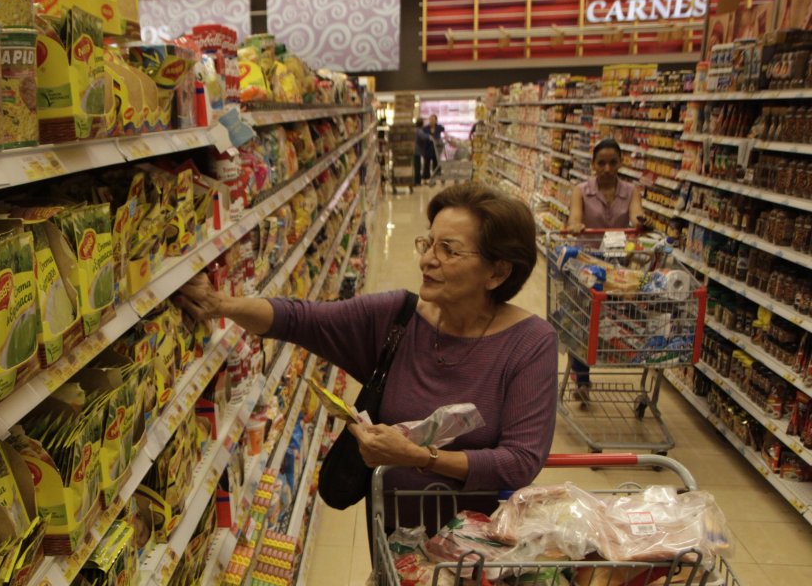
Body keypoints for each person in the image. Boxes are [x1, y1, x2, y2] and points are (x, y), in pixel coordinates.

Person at [177, 183, 558, 525]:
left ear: (497, 272)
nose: (427, 260)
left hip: (482, 555)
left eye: (449, 250)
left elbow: (520, 461)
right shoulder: (398, 317)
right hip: (394, 539)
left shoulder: (531, 343)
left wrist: (420, 457)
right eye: (428, 244)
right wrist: (222, 304)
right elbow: (302, 319)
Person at [565, 138, 646, 403]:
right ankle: (583, 379)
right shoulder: (581, 190)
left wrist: (641, 223)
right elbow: (575, 218)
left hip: (617, 268)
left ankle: (618, 356)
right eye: (602, 163)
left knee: (615, 320)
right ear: (593, 165)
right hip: (586, 265)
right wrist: (576, 225)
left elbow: (636, 216)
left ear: (621, 163)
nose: (608, 168)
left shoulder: (631, 191)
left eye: (613, 162)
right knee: (582, 320)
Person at [415, 118, 438, 186]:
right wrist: (430, 137)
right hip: (417, 151)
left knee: (418, 166)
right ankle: (417, 181)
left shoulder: (417, 130)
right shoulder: (419, 131)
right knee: (417, 166)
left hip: (417, 151)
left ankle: (418, 180)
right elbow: (424, 137)